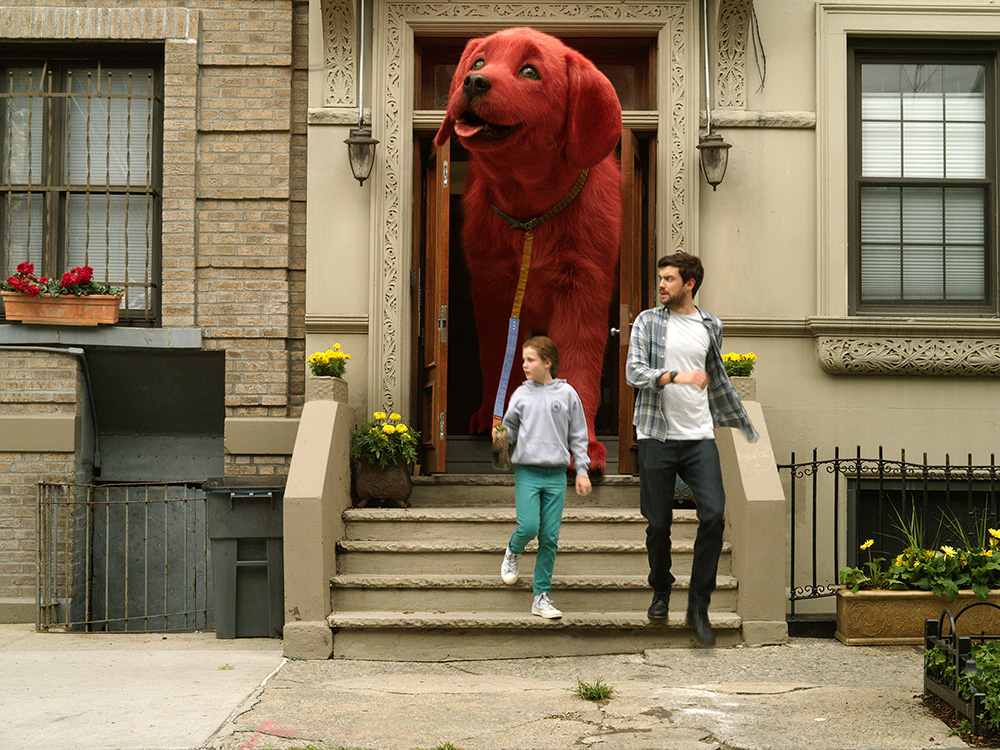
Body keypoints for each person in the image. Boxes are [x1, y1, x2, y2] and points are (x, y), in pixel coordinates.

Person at [625, 252, 758, 646]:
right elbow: (634, 371)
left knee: (714, 514)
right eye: (660, 279)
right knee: (658, 523)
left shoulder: (710, 325)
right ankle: (661, 589)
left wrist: (740, 421)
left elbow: (716, 377)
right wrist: (676, 376)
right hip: (656, 435)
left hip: (699, 436)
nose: (661, 285)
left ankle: (698, 605)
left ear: (689, 284)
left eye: (668, 279)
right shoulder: (647, 321)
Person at [494, 336, 592, 619]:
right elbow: (510, 427)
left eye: (530, 360)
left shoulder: (568, 394)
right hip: (528, 471)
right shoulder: (521, 395)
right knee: (528, 527)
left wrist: (582, 471)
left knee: (549, 537)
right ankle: (513, 550)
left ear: (547, 362)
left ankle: (541, 597)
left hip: (556, 475)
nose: (524, 365)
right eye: (523, 360)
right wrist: (501, 436)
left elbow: (578, 434)